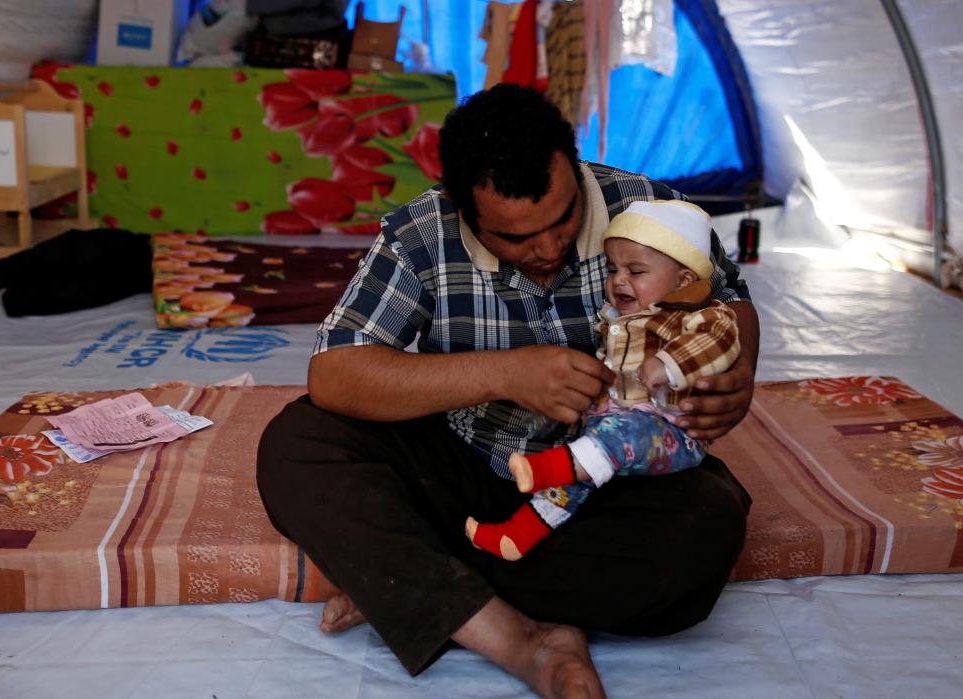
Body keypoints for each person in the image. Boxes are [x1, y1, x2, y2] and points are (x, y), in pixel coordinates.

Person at [256, 84, 759, 699]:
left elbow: (731, 302)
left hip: (610, 481)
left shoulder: (649, 210)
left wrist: (735, 378)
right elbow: (335, 371)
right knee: (297, 446)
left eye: (562, 220)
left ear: (576, 171)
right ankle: (520, 640)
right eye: (515, 239)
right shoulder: (422, 232)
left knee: (703, 535)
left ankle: (414, 579)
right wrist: (503, 373)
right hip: (464, 466)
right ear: (461, 209)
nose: (548, 250)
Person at [465, 199, 740, 561]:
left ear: (683, 280)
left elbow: (720, 340)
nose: (619, 280)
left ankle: (544, 468)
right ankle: (516, 535)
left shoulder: (698, 315)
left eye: (636, 271)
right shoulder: (619, 321)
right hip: (614, 428)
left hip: (672, 434)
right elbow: (615, 373)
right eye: (613, 269)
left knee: (612, 442)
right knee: (573, 481)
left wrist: (669, 364)